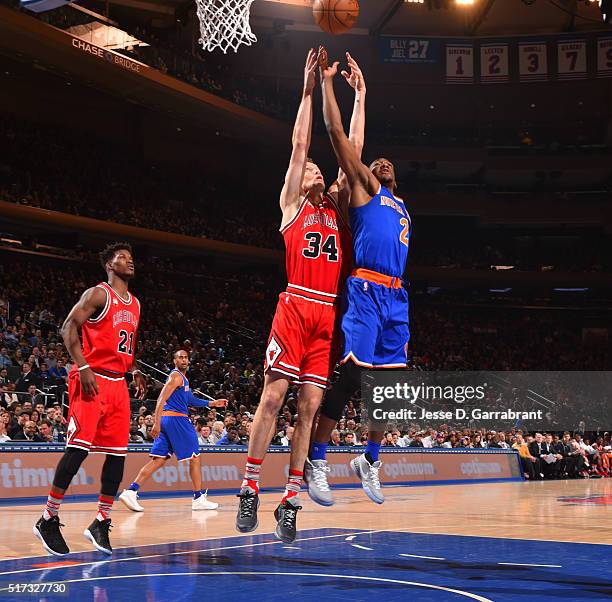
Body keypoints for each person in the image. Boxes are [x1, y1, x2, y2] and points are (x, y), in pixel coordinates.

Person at [235, 47, 365, 544]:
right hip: (294, 303)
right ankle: (249, 485)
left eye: (317, 170)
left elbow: (351, 153)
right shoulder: (292, 204)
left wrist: (360, 97)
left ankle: (289, 500)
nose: (314, 170)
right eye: (310, 169)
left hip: (326, 313)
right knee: (273, 397)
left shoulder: (338, 210)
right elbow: (299, 142)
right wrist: (309, 90)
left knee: (310, 407)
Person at [306, 46, 411, 507]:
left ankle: (370, 458)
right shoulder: (363, 189)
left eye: (389, 164)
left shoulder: (401, 206)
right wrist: (336, 88)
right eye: (375, 162)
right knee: (350, 380)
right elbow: (340, 136)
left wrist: (364, 93)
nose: (381, 163)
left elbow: (364, 149)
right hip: (367, 288)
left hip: (398, 297)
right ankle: (318, 458)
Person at [33, 242, 146, 557]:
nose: (129, 261)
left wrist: (135, 370)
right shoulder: (98, 294)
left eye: (132, 258)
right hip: (91, 377)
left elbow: (126, 346)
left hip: (118, 384)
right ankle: (48, 517)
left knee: (118, 455)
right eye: (122, 257)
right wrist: (82, 367)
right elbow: (68, 327)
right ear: (109, 265)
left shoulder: (135, 304)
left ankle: (101, 520)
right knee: (77, 450)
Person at [119, 350, 226, 512]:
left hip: (168, 420)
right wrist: (155, 422)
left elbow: (190, 399)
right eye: (180, 357)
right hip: (176, 419)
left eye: (186, 357)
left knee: (159, 460)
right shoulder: (176, 377)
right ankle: (198, 498)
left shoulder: (182, 379)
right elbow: (161, 398)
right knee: (195, 457)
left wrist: (212, 403)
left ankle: (131, 491)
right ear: (174, 361)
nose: (183, 360)